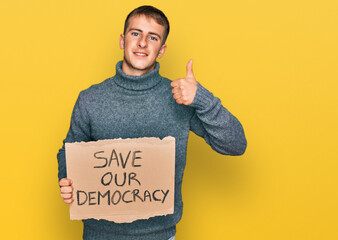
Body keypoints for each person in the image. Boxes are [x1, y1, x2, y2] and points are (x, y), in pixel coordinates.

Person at [57, 5, 247, 240]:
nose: (142, 43)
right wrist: (66, 178)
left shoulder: (180, 97)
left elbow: (236, 145)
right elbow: (69, 150)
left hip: (159, 235)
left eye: (153, 37)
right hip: (99, 234)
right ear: (122, 40)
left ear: (161, 49)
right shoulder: (90, 98)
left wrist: (202, 99)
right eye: (135, 33)